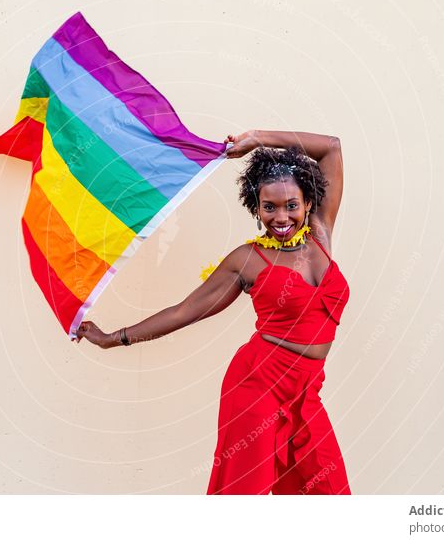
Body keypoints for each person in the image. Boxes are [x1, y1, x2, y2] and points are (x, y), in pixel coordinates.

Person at [75, 129, 351, 495]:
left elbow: (330, 148)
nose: (281, 217)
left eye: (291, 205)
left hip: (306, 388)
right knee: (243, 493)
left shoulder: (320, 234)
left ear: (308, 203)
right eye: (268, 207)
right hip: (258, 385)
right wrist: (113, 338)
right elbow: (185, 311)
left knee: (328, 492)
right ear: (256, 207)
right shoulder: (247, 260)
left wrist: (257, 139)